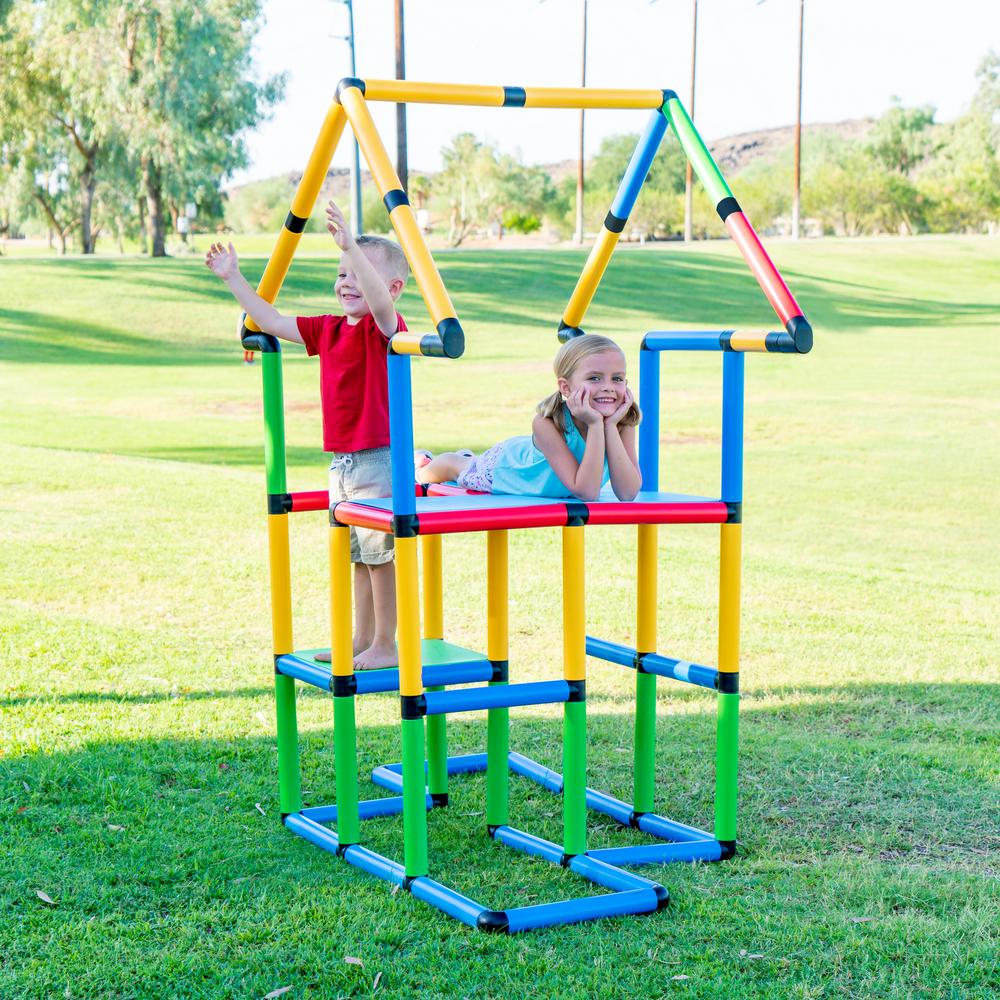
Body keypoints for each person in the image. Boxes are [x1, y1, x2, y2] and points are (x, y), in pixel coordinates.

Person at [205, 201, 408, 669]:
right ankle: (361, 640)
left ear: (391, 287)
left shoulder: (387, 329)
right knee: (359, 556)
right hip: (343, 461)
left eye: (357, 272)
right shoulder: (329, 329)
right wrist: (233, 278)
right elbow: (272, 321)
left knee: (379, 556)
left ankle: (386, 643)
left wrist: (352, 245)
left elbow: (379, 303)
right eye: (341, 273)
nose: (346, 281)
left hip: (377, 456)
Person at [417, 334, 642, 503]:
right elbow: (587, 492)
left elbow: (627, 492)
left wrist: (610, 427)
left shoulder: (621, 423)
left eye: (618, 379)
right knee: (453, 467)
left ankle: (462, 458)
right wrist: (595, 425)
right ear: (566, 387)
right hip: (506, 470)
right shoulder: (547, 423)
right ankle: (421, 468)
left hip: (547, 476)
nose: (608, 388)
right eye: (594, 378)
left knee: (464, 462)